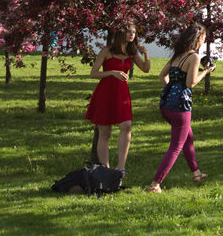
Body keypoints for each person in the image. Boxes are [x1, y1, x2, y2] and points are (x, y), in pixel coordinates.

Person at [145, 23, 213, 192]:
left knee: (187, 137)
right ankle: (155, 184)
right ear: (198, 39)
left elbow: (162, 76)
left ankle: (196, 173)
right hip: (180, 107)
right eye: (203, 38)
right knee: (176, 147)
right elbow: (190, 83)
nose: (204, 41)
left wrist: (172, 90)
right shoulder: (194, 57)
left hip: (167, 104)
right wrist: (206, 72)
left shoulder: (177, 56)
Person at [85, 22, 150, 176]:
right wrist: (111, 72)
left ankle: (120, 167)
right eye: (128, 31)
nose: (132, 34)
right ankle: (106, 170)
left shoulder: (132, 53)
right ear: (121, 33)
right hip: (105, 92)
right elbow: (93, 73)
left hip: (122, 93)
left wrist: (146, 53)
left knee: (126, 126)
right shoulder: (107, 51)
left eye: (134, 32)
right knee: (105, 132)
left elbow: (146, 69)